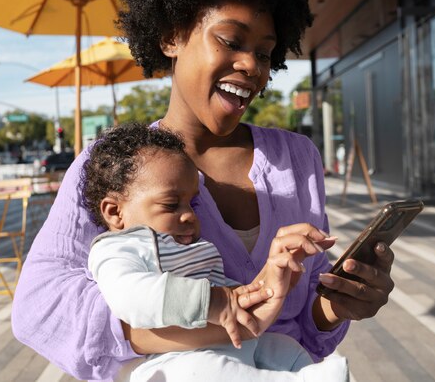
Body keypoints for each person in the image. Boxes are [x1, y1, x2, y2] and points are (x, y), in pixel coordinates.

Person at [11, 0, 395, 380]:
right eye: (231, 41)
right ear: (171, 36)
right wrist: (216, 317)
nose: (251, 65)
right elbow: (39, 308)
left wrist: (338, 306)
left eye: (265, 53)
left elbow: (306, 325)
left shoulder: (297, 158)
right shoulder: (111, 165)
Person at [82, 122, 347, 381]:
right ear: (115, 212)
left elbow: (231, 295)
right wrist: (214, 301)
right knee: (207, 370)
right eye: (171, 205)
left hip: (230, 345)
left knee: (282, 347)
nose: (188, 215)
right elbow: (131, 297)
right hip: (175, 362)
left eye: (192, 203)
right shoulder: (115, 249)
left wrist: (258, 293)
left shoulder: (189, 247)